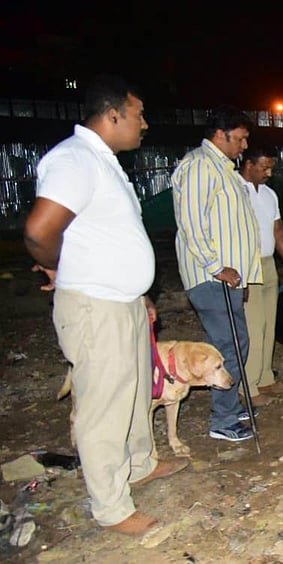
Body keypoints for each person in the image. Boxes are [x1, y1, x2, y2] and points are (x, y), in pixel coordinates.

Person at [24, 74, 187, 536]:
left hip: (125, 304)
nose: (145, 124)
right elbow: (39, 232)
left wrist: (142, 295)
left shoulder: (105, 161)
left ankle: (138, 464)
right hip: (96, 306)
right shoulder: (74, 160)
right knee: (104, 405)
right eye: (138, 115)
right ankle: (112, 507)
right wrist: (61, 270)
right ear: (112, 114)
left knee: (136, 393)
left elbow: (111, 237)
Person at [172, 105, 262, 442]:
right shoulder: (199, 166)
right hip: (212, 277)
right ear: (220, 134)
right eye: (240, 139)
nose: (244, 146)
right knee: (230, 344)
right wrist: (217, 267)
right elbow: (192, 224)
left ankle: (230, 404)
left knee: (237, 342)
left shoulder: (223, 169)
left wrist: (244, 276)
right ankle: (222, 421)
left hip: (228, 280)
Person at [240, 145, 283, 406]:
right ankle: (247, 386)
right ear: (248, 164)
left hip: (267, 263)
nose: (269, 172)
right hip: (245, 264)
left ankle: (264, 377)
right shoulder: (233, 190)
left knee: (268, 324)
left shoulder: (269, 194)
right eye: (264, 167)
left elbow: (279, 232)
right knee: (252, 327)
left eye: (271, 167)